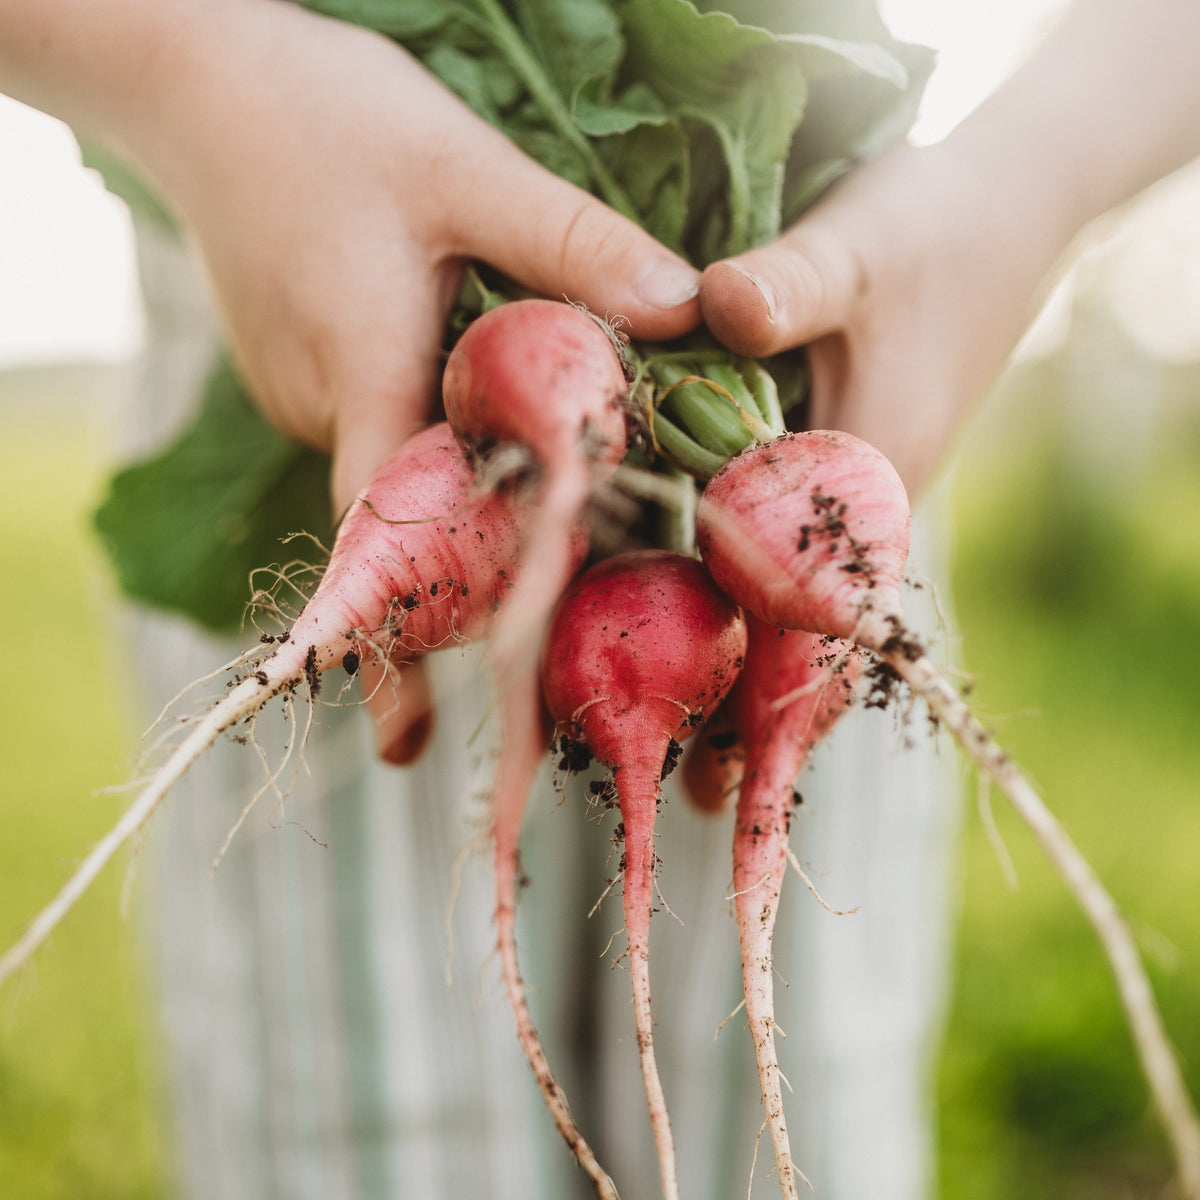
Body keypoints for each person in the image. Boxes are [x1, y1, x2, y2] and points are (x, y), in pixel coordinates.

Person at [3, 0, 1199, 1196]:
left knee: (795, 1103)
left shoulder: (825, 528)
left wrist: (1034, 174)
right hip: (309, 242)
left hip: (848, 326)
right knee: (362, 1124)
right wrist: (197, 75)